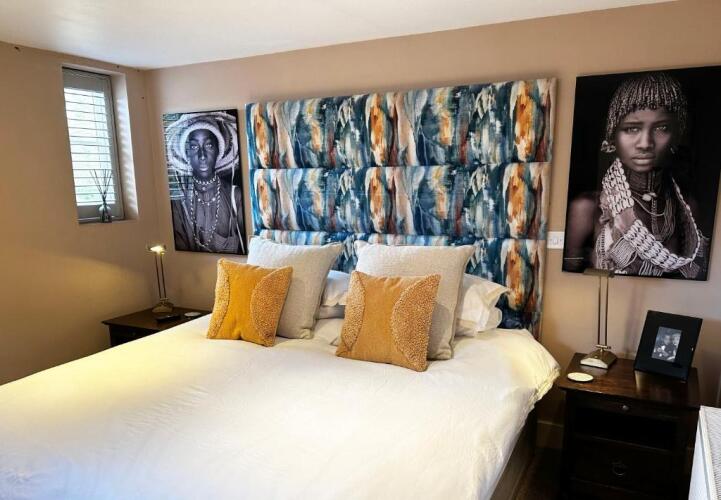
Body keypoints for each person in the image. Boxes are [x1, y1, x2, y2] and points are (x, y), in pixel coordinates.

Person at [564, 73, 708, 278]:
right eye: (632, 128)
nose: (645, 143)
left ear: (676, 135)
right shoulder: (588, 207)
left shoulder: (686, 208)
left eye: (662, 128)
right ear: (613, 136)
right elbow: (570, 278)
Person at [167, 113, 246, 254]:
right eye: (194, 147)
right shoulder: (179, 203)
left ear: (218, 150)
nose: (202, 155)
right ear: (187, 154)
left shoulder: (235, 196)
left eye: (208, 145)